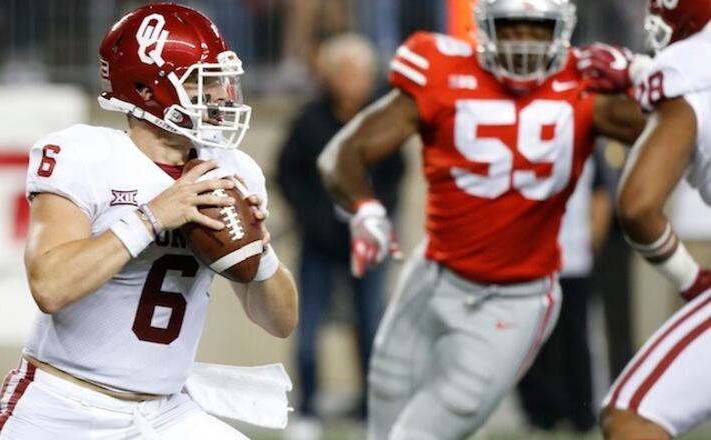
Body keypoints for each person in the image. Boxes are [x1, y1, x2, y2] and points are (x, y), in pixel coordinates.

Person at [317, 0, 646, 438]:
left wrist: (645, 79)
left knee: (419, 432)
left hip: (517, 295)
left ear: (562, 30)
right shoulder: (442, 72)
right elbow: (342, 153)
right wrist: (366, 209)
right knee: (385, 406)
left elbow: (680, 132)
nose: (524, 42)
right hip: (433, 274)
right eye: (512, 26)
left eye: (538, 29)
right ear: (485, 27)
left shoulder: (585, 86)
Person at [0, 4, 298, 439]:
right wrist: (151, 218)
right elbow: (50, 287)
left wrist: (257, 250)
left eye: (221, 80)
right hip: (65, 408)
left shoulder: (231, 168)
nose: (222, 96)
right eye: (200, 83)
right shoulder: (86, 155)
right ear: (148, 90)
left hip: (167, 414)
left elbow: (280, 322)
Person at [578, 1, 711, 438]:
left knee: (631, 415)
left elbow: (637, 204)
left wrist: (690, 279)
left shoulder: (683, 68)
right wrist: (640, 74)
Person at [276, 33, 405, 438]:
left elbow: (396, 173)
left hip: (365, 240)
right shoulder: (309, 119)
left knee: (371, 325)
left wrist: (374, 212)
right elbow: (287, 173)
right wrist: (314, 217)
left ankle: (371, 407)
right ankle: (308, 407)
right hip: (319, 239)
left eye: (360, 73)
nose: (354, 81)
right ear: (329, 75)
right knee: (306, 324)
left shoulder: (382, 118)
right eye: (346, 73)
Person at [516, 155, 612, 434]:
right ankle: (540, 412)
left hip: (573, 258)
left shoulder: (587, 145)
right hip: (535, 257)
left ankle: (580, 411)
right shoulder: (530, 143)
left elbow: (601, 194)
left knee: (576, 338)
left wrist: (593, 240)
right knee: (536, 340)